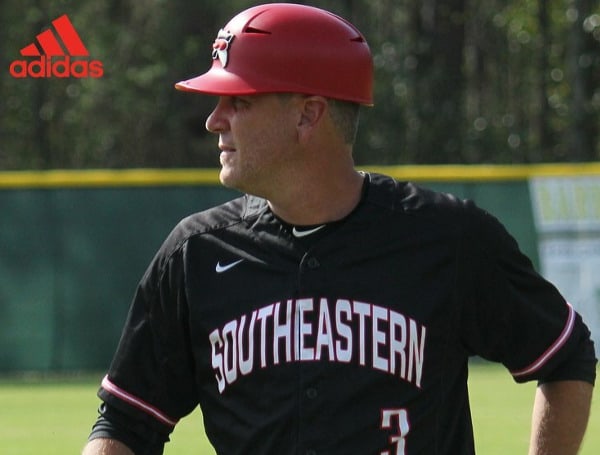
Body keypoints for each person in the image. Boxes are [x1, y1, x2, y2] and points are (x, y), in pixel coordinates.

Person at [83, 3, 596, 455]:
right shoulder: (195, 255)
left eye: (239, 101)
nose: (215, 120)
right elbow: (127, 420)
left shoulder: (446, 239)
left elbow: (564, 353)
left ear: (308, 115)